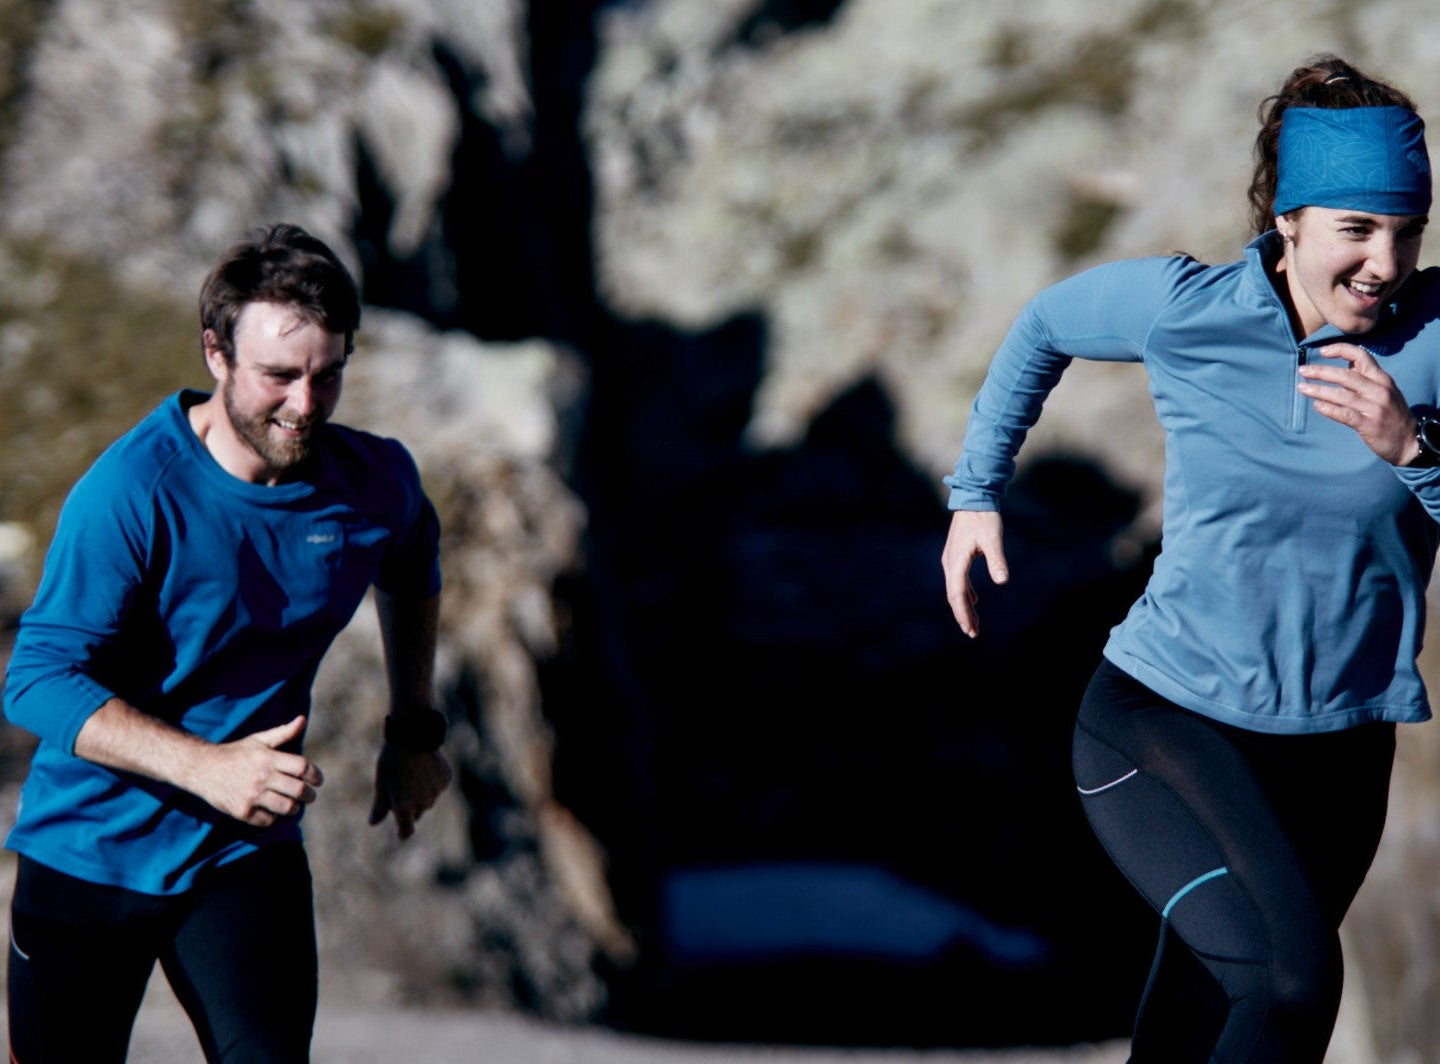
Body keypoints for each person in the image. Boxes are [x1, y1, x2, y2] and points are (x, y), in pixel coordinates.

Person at [940, 55, 1440, 1062]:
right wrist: (974, 494)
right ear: (1288, 221)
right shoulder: (1188, 310)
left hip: (1343, 748)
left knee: (1211, 1003)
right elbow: (1042, 325)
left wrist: (1414, 453)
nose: (1384, 260)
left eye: (1406, 230)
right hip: (1164, 722)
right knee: (1292, 982)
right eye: (1356, 228)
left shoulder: (1434, 339)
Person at [2, 223, 452, 1062]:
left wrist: (414, 726)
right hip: (89, 854)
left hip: (241, 854)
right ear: (216, 354)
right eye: (278, 376)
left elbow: (413, 559)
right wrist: (208, 767)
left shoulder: (373, 480)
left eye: (328, 376)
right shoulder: (132, 493)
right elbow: (33, 679)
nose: (304, 405)